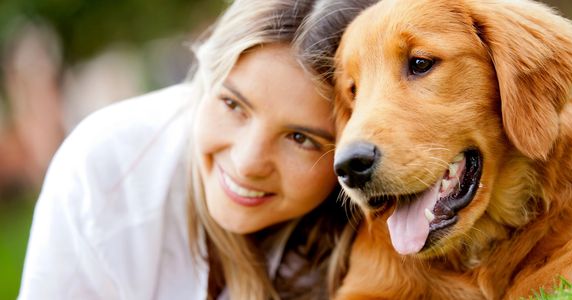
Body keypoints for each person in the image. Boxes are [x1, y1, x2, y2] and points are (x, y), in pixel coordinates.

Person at [18, 0, 377, 299]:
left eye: (300, 138)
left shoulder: (371, 232)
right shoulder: (106, 171)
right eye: (233, 105)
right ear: (205, 80)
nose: (247, 162)